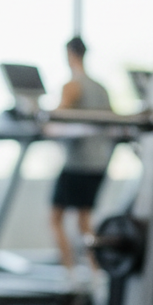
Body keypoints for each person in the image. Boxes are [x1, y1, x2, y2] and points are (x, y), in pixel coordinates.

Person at [50, 35, 114, 275]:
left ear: (69, 55)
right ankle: (95, 271)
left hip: (78, 164)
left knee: (55, 218)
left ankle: (70, 272)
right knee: (84, 220)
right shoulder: (101, 88)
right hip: (99, 163)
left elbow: (56, 117)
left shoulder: (72, 85)